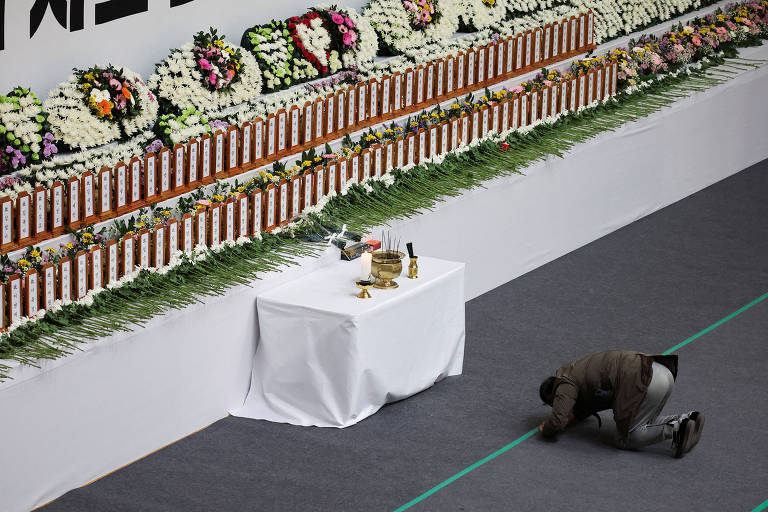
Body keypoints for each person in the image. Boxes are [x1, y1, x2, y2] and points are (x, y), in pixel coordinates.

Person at [537, 350, 704, 457]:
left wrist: (547, 429)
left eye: (555, 403)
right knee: (644, 423)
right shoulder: (579, 370)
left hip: (644, 382)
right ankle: (689, 418)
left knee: (625, 438)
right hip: (661, 371)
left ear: (553, 395)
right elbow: (585, 406)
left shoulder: (565, 383)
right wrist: (573, 416)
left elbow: (558, 421)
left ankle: (676, 428)